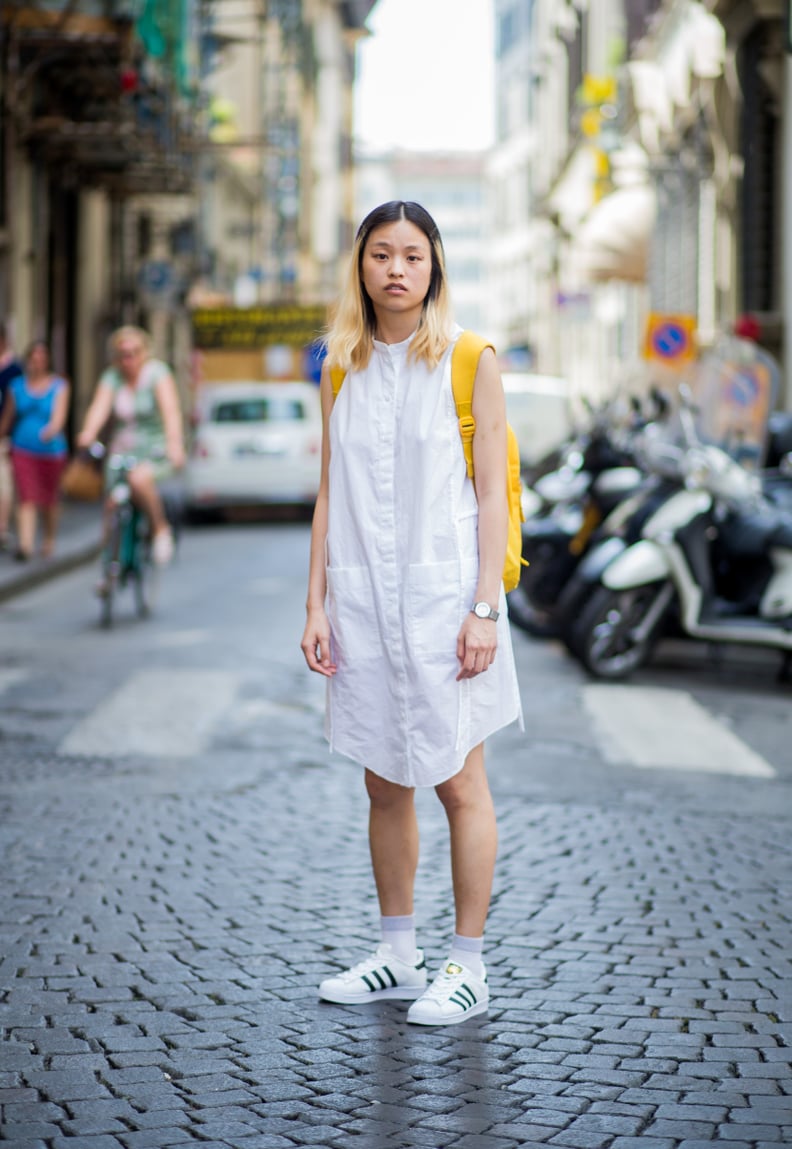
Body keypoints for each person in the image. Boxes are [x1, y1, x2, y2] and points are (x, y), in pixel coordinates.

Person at [300, 201, 523, 1026]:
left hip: (446, 603)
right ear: (360, 266)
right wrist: (317, 601)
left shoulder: (469, 360)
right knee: (382, 778)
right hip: (362, 602)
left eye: (414, 256)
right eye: (382, 254)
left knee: (460, 780)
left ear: (435, 269)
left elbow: (493, 490)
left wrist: (483, 608)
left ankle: (467, 964)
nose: (397, 269)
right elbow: (332, 491)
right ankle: (398, 954)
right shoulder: (337, 366)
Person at [76, 325, 185, 578]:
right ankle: (108, 564)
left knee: (139, 479)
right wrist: (87, 433)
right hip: (122, 449)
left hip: (154, 449)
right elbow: (99, 408)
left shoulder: (157, 374)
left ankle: (160, 529)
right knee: (112, 502)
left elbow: (171, 412)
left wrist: (175, 443)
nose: (129, 360)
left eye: (134, 353)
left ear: (145, 353)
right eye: (122, 354)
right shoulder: (112, 378)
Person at [0, 340, 69, 561]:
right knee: (26, 496)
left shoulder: (59, 385)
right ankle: (26, 545)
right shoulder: (17, 386)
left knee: (49, 499)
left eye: (42, 358)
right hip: (22, 448)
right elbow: (8, 418)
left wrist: (52, 430)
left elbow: (59, 416)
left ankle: (49, 538)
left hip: (51, 450)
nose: (37, 362)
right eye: (33, 358)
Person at [0, 322, 24, 551]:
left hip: (5, 436)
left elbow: (13, 406)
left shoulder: (14, 370)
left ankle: (2, 528)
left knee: (3, 483)